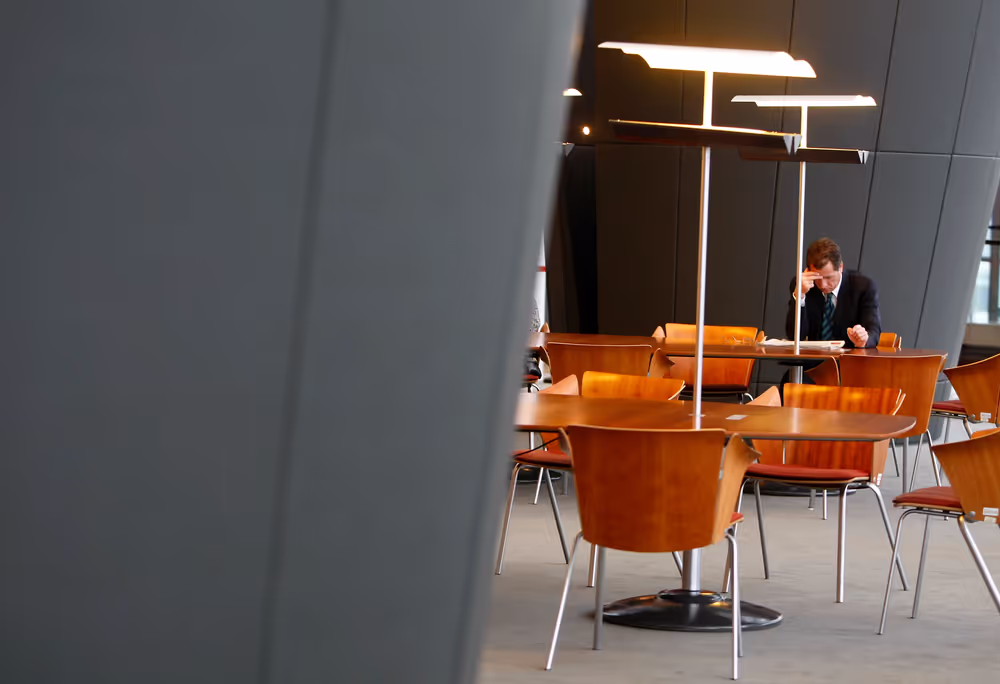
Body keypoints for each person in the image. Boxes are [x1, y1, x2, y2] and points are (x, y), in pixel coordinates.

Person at [786, 237, 881, 348]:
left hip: (848, 357)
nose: (823, 285)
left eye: (828, 278)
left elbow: (874, 332)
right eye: (817, 278)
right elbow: (794, 337)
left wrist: (863, 339)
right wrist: (800, 296)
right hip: (812, 357)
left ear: (840, 267)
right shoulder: (802, 285)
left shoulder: (863, 286)